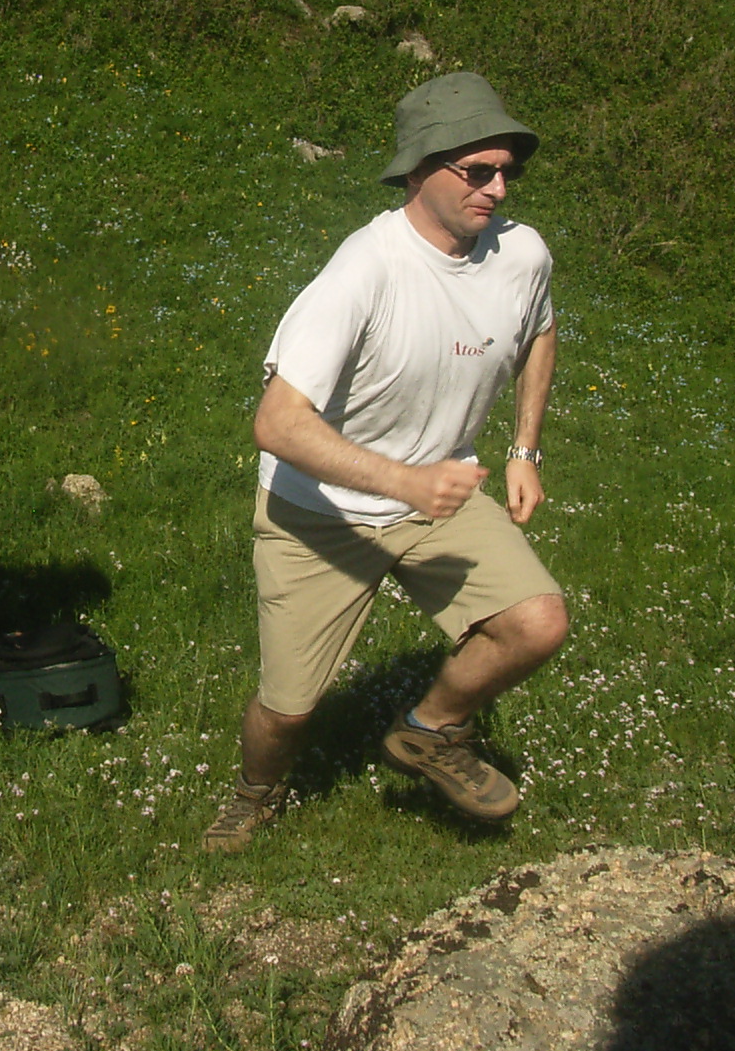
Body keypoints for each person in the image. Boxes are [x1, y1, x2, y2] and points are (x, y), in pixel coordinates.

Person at [203, 71, 567, 854]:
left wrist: (524, 450)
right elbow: (276, 424)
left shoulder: (522, 255)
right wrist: (406, 481)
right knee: (288, 711)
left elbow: (539, 330)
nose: (499, 189)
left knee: (536, 623)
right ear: (419, 169)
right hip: (320, 515)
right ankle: (256, 793)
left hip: (439, 494)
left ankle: (430, 729)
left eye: (508, 171)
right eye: (479, 171)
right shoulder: (363, 271)